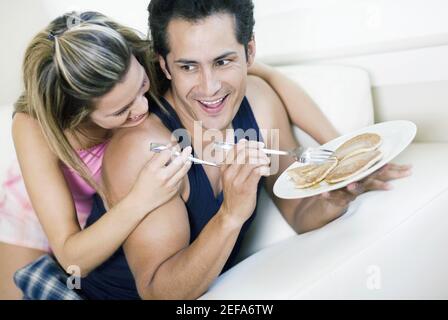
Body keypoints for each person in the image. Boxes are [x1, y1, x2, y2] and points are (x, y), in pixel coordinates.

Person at [78, 0, 411, 300]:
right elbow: (157, 293)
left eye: (223, 61)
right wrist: (230, 216)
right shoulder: (142, 147)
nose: (209, 88)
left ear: (249, 53)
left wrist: (335, 199)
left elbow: (297, 212)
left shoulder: (261, 102)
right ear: (164, 67)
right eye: (188, 67)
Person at [0, 11, 194, 299]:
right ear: (75, 114)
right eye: (120, 111)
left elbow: (220, 66)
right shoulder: (32, 125)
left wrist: (272, 78)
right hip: (29, 212)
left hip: (93, 211)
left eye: (142, 86)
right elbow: (73, 260)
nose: (141, 108)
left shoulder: (138, 58)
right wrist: (141, 199)